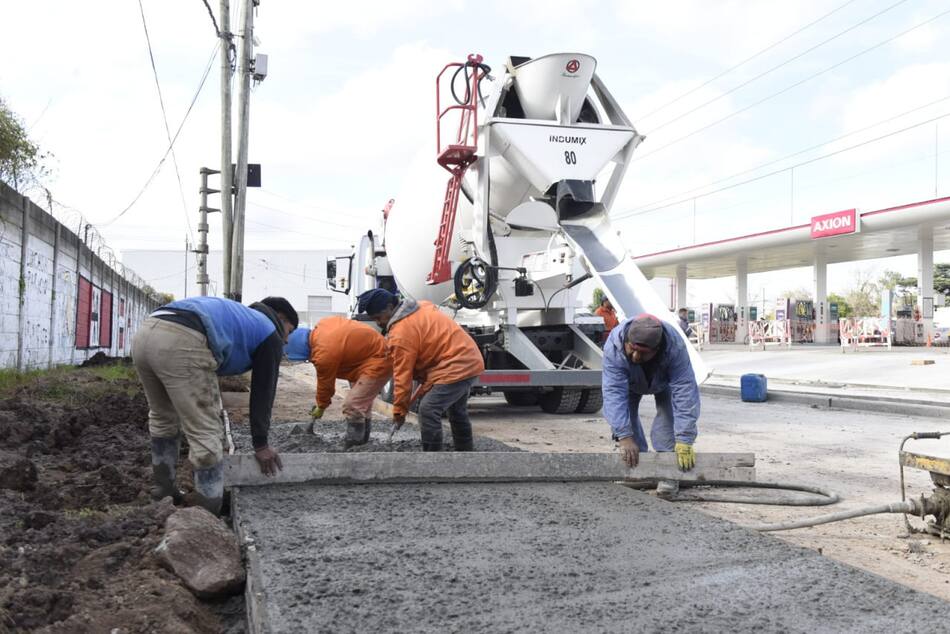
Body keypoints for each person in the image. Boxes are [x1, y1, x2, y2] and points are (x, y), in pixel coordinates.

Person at [132, 296, 298, 515]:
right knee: (206, 431)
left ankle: (163, 492)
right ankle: (207, 511)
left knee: (163, 417)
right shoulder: (269, 332)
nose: (286, 340)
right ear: (281, 317)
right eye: (290, 331)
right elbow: (263, 392)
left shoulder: (242, 318)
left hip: (146, 333)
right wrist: (261, 444)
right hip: (183, 339)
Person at [357, 288, 484, 451]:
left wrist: (398, 412)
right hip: (468, 359)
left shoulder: (401, 333)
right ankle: (465, 454)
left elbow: (403, 378)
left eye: (379, 317)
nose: (379, 323)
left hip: (456, 364)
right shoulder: (420, 307)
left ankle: (431, 460)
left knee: (428, 410)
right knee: (456, 411)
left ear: (390, 307)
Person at [601, 313, 700, 497]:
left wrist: (684, 439)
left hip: (664, 382)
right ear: (626, 341)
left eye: (644, 353)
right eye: (632, 349)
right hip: (629, 383)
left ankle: (668, 470)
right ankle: (637, 468)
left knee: (668, 412)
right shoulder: (614, 346)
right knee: (627, 419)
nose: (636, 356)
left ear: (657, 348)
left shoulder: (674, 347)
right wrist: (624, 436)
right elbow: (613, 393)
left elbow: (685, 392)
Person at [292, 317, 393, 447]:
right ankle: (362, 443)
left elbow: (326, 386)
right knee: (362, 405)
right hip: (368, 356)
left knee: (353, 405)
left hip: (379, 360)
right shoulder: (323, 325)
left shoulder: (323, 353)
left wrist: (321, 406)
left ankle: (353, 444)